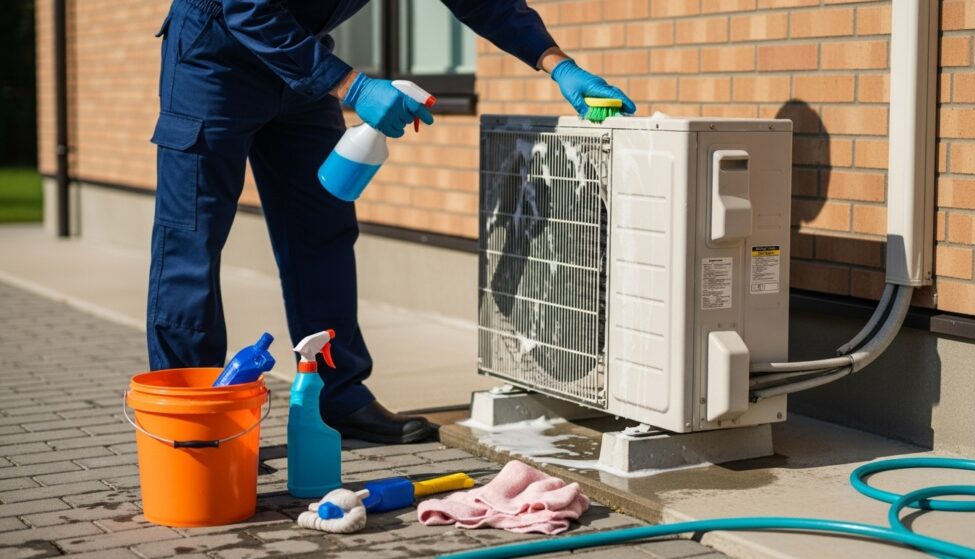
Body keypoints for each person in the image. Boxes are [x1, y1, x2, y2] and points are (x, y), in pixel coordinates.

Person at [148, 0, 635, 444]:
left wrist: (558, 64)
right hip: (214, 60)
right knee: (192, 241)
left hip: (302, 68)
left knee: (322, 232)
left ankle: (336, 397)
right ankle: (192, 421)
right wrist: (353, 86)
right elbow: (244, 6)